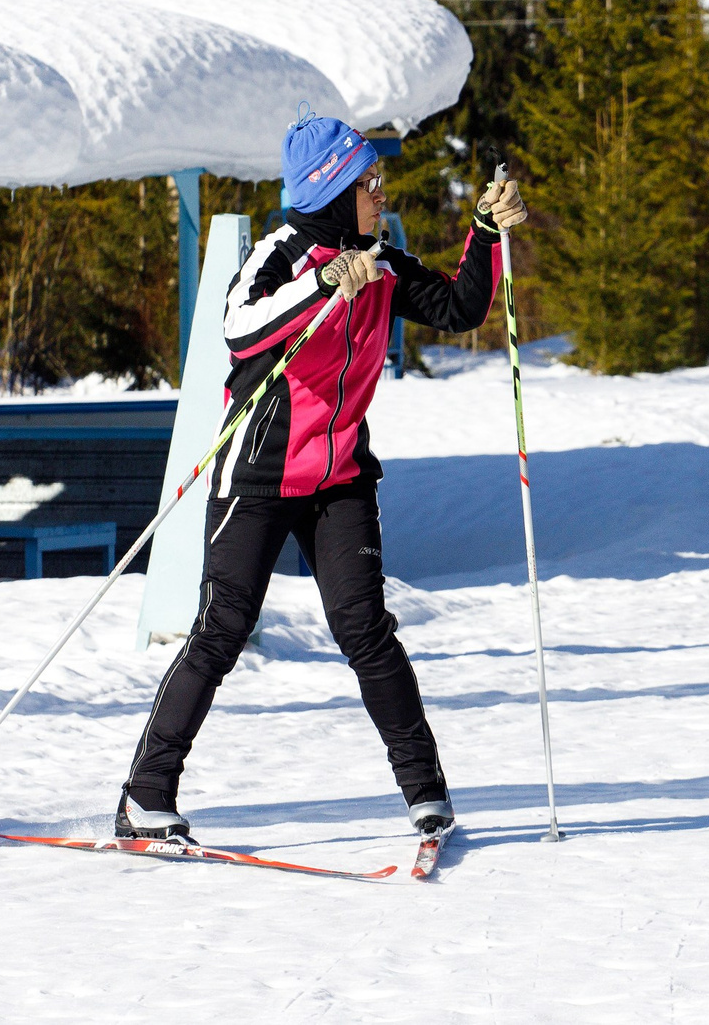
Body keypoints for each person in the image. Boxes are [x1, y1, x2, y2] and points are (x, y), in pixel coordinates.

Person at [118, 113, 526, 843]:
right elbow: (239, 328)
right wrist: (324, 283)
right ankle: (145, 796)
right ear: (333, 189)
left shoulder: (380, 263)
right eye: (370, 182)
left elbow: (459, 307)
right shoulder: (280, 255)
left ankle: (427, 795)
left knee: (365, 629)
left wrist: (486, 231)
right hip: (258, 473)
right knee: (222, 629)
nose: (380, 193)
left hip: (339, 476)